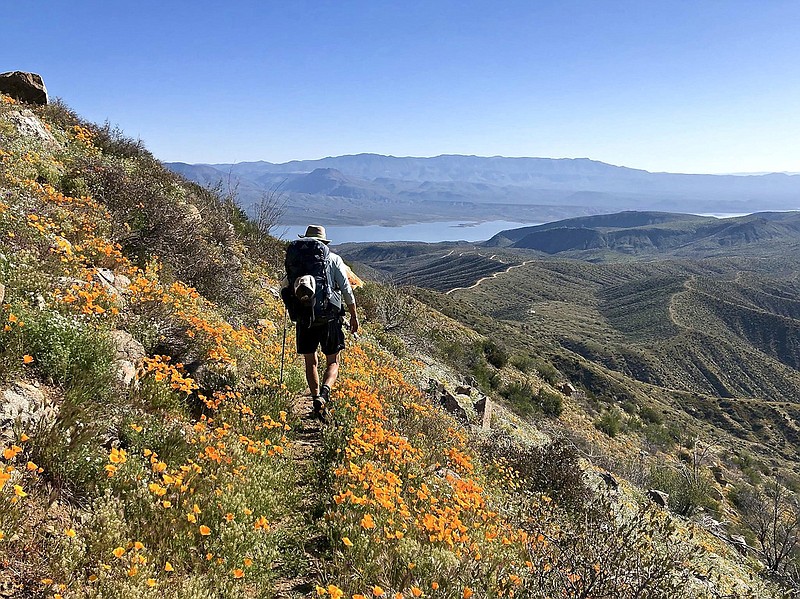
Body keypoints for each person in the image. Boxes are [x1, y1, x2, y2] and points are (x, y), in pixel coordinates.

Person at [289, 225, 359, 418]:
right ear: (323, 242)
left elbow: (284, 288)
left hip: (305, 316)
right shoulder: (333, 259)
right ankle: (325, 394)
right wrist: (353, 315)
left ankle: (314, 400)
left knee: (310, 361)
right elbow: (346, 289)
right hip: (329, 316)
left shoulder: (296, 260)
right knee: (333, 362)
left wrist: (293, 308)